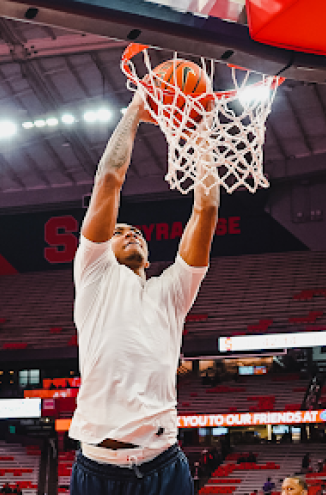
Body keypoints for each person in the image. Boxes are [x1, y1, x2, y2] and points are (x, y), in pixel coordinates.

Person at [67, 91, 219, 495]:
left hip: (163, 462)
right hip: (97, 466)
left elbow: (205, 210)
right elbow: (109, 180)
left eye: (136, 232)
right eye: (118, 231)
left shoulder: (170, 292)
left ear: (150, 256)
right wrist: (135, 110)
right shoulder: (95, 272)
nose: (129, 232)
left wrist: (202, 131)